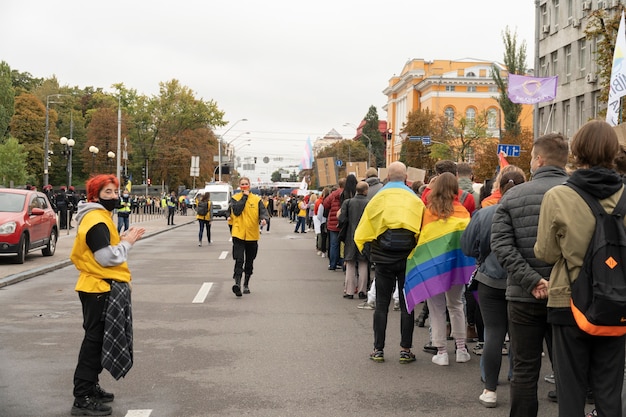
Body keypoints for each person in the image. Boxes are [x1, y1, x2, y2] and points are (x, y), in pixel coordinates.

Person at [535, 120, 625, 417]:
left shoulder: (558, 196)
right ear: (614, 151)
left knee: (570, 392)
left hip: (568, 301)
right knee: (610, 392)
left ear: (577, 151)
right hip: (617, 301)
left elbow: (546, 253)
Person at [491, 132, 569, 417]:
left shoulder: (513, 195)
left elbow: (500, 244)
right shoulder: (578, 193)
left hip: (524, 297)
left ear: (539, 159)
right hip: (568, 296)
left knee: (524, 368)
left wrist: (531, 280)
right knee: (567, 367)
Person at [69, 174, 145, 416]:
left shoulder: (100, 216)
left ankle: (90, 386)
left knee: (98, 341)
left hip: (98, 286)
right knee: (94, 343)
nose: (114, 196)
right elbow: (106, 258)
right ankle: (83, 396)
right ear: (95, 195)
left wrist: (121, 240)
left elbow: (102, 252)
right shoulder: (96, 220)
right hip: (98, 288)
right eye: (108, 192)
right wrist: (128, 242)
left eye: (115, 192)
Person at [461, 169, 526, 407]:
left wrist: (482, 256)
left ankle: (489, 389)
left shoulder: (484, 213)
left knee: (493, 334)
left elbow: (467, 246)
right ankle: (515, 377)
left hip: (490, 279)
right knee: (520, 334)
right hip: (521, 281)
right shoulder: (530, 213)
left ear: (498, 186)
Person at [354, 161, 424, 364]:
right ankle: (405, 350)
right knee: (406, 306)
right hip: (407, 259)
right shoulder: (414, 199)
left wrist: (371, 254)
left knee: (381, 306)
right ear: (405, 178)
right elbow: (422, 229)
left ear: (387, 177)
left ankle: (378, 350)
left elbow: (365, 229)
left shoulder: (378, 198)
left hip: (383, 259)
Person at [405, 172, 474, 366]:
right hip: (456, 267)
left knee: (436, 308)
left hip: (432, 267)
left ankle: (441, 352)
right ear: (455, 189)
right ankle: (461, 349)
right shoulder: (463, 212)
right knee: (456, 304)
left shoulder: (428, 212)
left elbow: (421, 239)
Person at [230, 177, 269, 297]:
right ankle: (237, 283)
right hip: (238, 234)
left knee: (249, 261)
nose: (244, 186)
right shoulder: (235, 198)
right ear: (239, 186)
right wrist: (244, 197)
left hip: (252, 235)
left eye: (246, 184)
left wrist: (264, 219)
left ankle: (246, 283)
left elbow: (263, 212)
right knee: (239, 259)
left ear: (249, 185)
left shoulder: (257, 200)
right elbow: (236, 211)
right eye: (242, 184)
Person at [338, 180, 369, 299]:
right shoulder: (369, 203)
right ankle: (362, 290)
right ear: (366, 191)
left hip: (350, 236)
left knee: (350, 264)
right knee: (363, 263)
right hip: (365, 237)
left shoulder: (348, 202)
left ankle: (350, 291)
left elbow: (342, 219)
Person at [323, 178, 346, 271]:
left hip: (333, 222)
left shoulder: (333, 194)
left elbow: (325, 204)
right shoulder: (349, 194)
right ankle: (344, 263)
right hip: (344, 222)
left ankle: (332, 264)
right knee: (345, 244)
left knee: (334, 244)